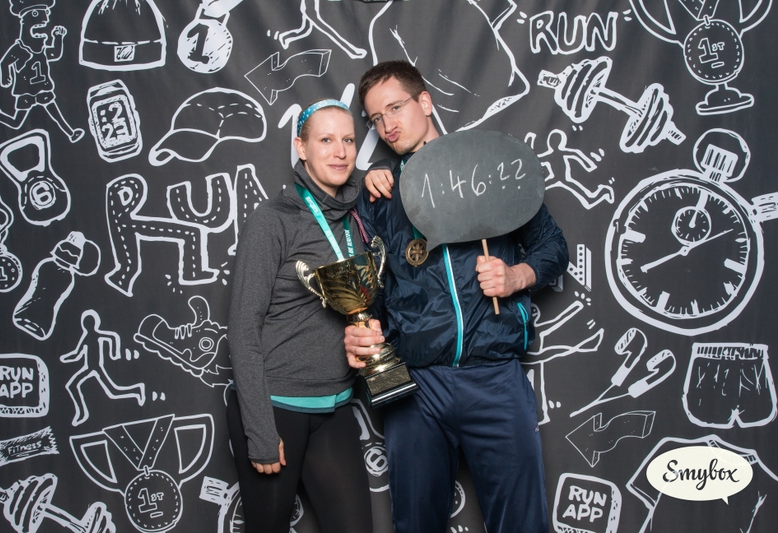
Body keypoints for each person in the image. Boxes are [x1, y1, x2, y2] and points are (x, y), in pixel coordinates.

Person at [344, 60, 569, 533]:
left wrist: (516, 276)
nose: (387, 125)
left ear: (425, 101)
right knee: (415, 524)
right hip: (416, 387)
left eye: (395, 108)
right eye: (376, 118)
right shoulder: (379, 196)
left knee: (522, 524)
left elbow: (553, 247)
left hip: (495, 377)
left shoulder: (490, 167)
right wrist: (362, 328)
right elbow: (374, 290)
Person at [227, 99, 373, 533]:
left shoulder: (357, 220)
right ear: (301, 148)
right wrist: (260, 430)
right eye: (325, 140)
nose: (340, 152)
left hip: (335, 406)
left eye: (348, 140)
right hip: (276, 407)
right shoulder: (274, 219)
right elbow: (243, 328)